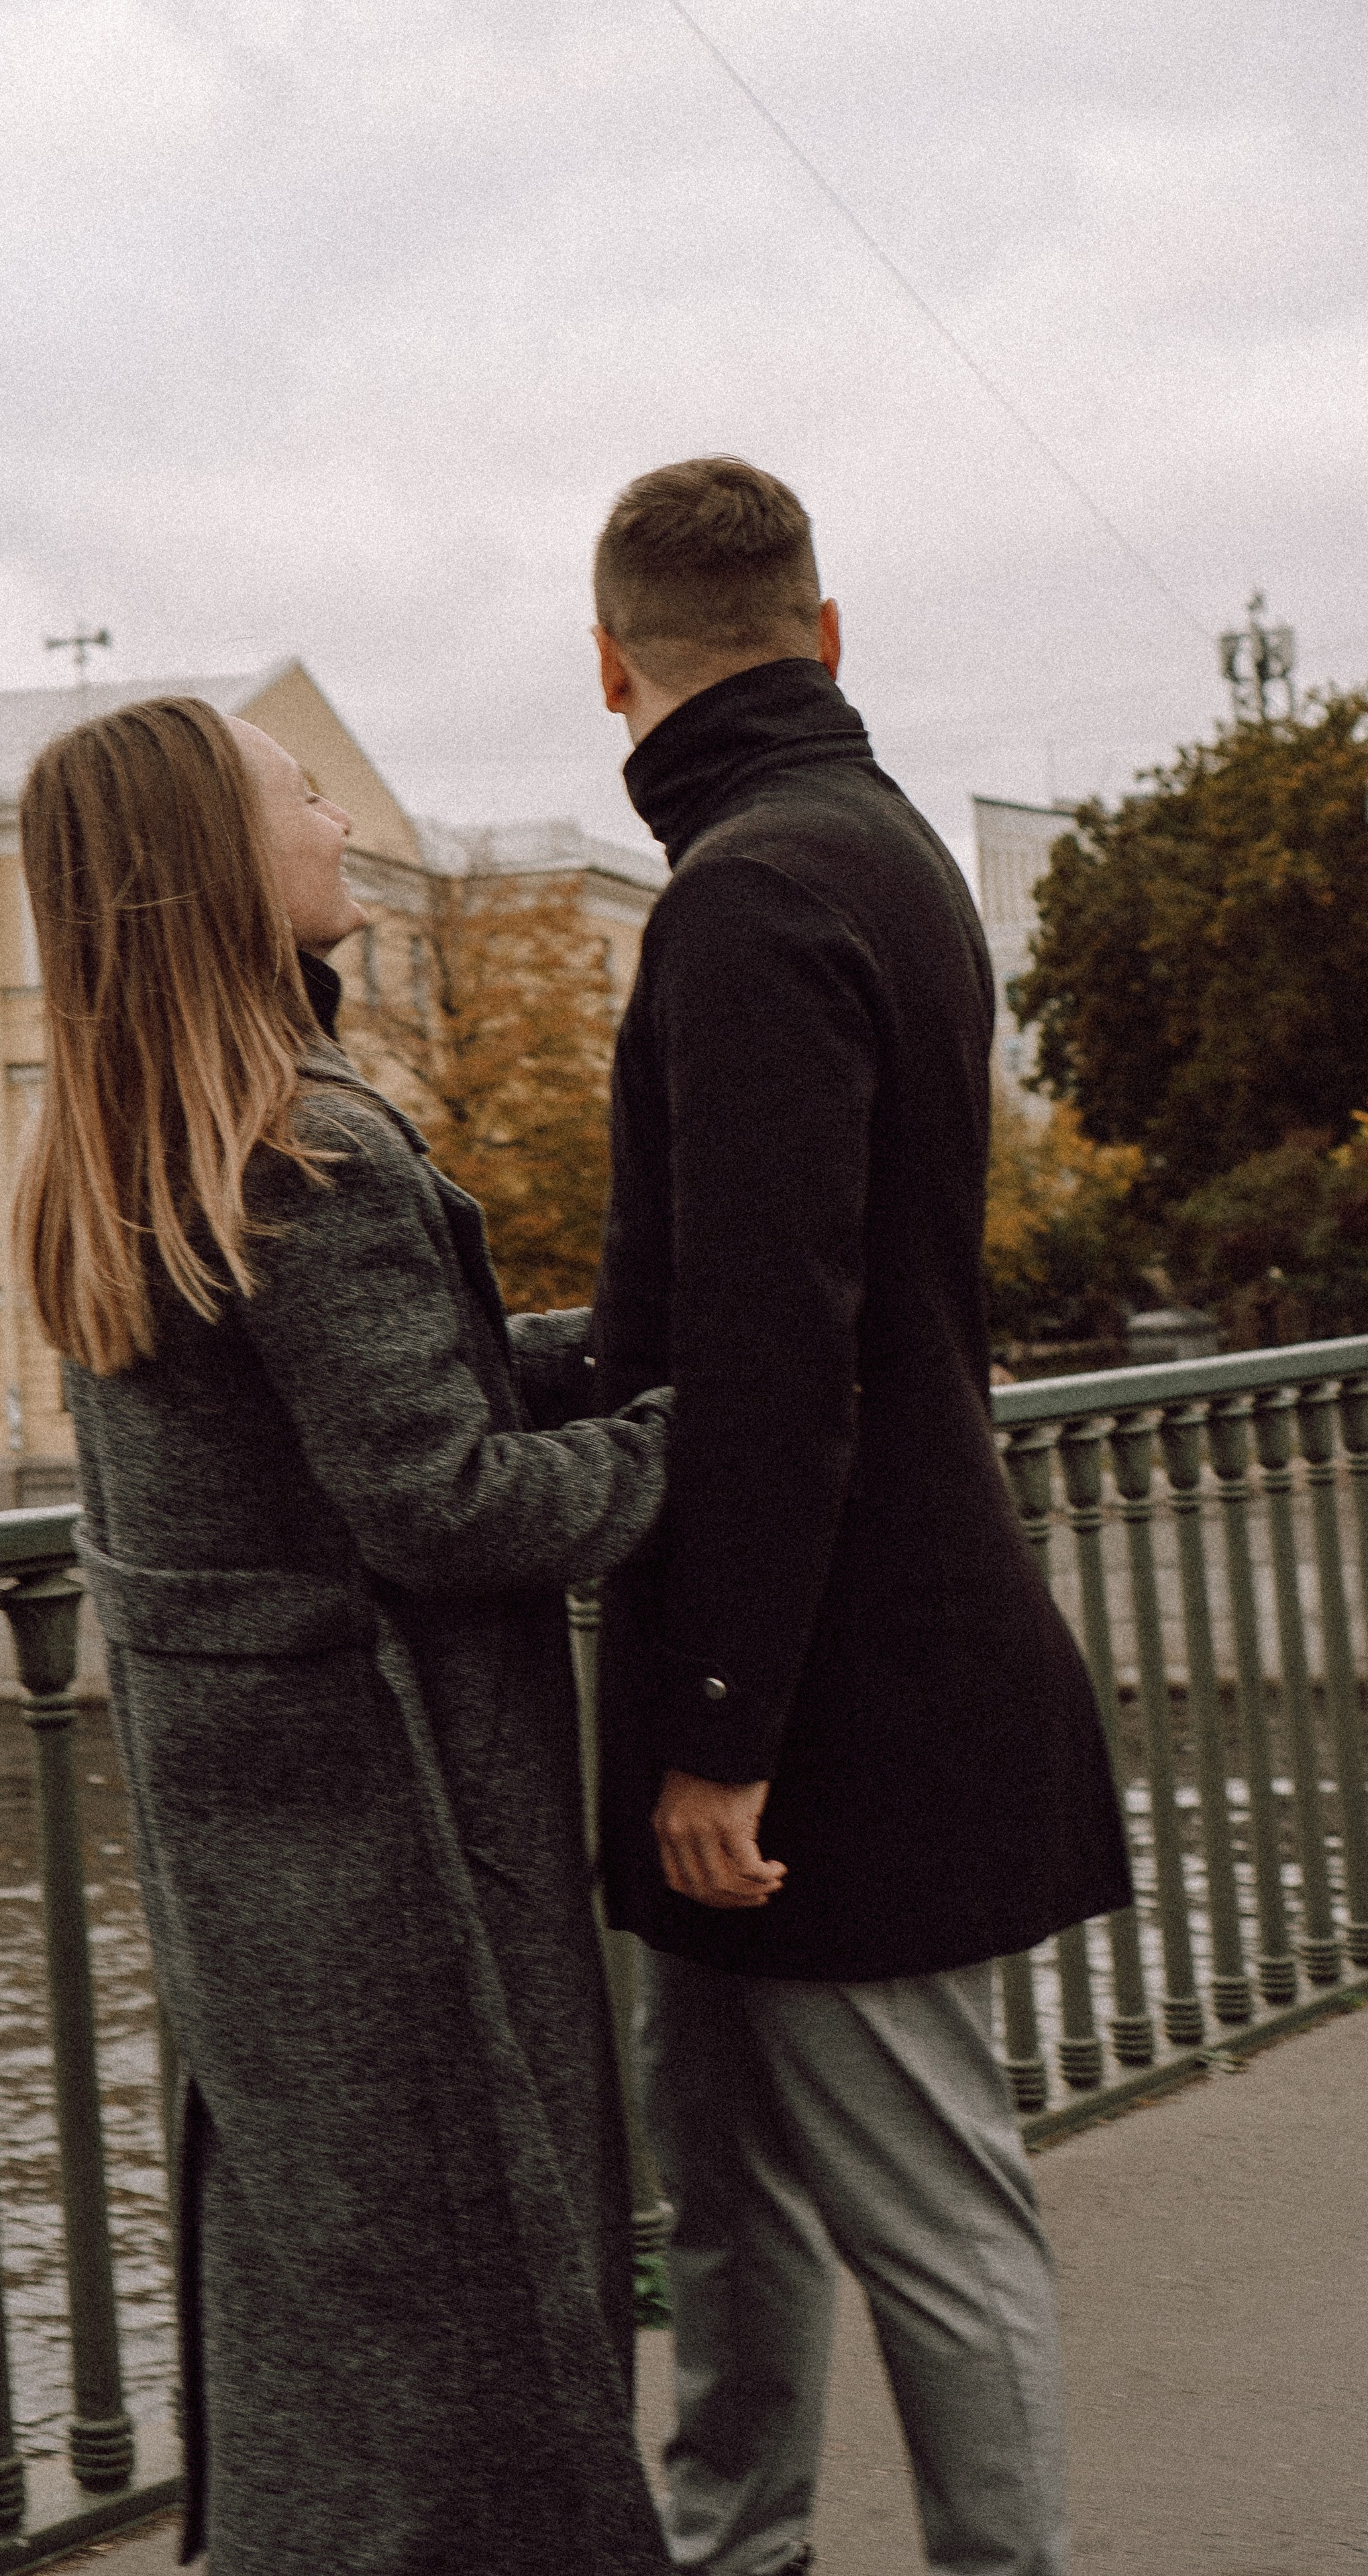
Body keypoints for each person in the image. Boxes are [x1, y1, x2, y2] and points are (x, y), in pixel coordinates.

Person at [13, 694, 678, 2576]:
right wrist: (710, 1437)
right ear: (219, 865)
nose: (334, 820)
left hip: (256, 1860)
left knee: (336, 2310)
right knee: (488, 2315)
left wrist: (597, 1351)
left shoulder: (136, 1142)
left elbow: (356, 1431)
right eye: (301, 795)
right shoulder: (309, 1153)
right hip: (406, 1850)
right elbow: (444, 1506)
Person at [587, 458, 1133, 2576]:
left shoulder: (741, 892)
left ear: (609, 664)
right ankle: (740, 2552)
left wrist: (723, 1723)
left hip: (820, 1695)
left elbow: (775, 1337)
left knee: (927, 2211)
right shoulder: (882, 849)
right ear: (827, 635)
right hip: (834, 1647)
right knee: (719, 2194)